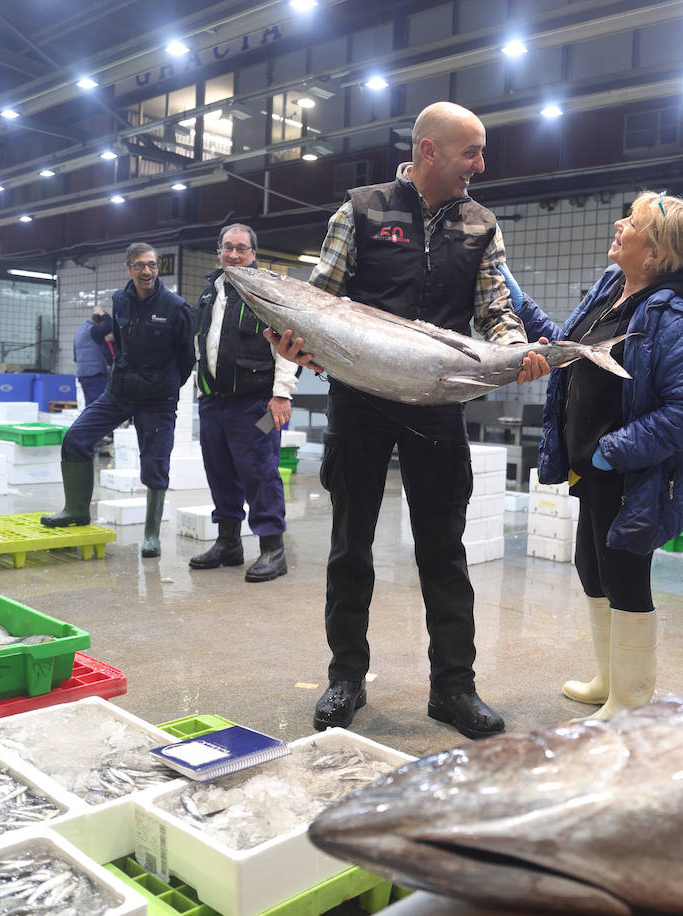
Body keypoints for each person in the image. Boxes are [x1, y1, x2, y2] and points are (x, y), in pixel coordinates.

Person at [271, 101, 550, 741]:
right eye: (470, 153)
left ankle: (454, 689)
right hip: (360, 405)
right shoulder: (363, 210)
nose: (480, 166)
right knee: (350, 548)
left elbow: (495, 309)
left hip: (437, 407)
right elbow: (318, 301)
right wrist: (291, 343)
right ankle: (346, 678)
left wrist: (518, 352)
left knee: (444, 551)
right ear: (429, 151)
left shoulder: (480, 223)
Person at [503, 191, 683, 720]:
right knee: (592, 569)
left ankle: (631, 701)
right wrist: (514, 295)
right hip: (594, 466)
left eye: (632, 221)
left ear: (654, 252)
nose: (618, 224)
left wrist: (611, 452)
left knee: (625, 577)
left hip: (628, 474)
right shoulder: (615, 292)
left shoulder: (677, 317)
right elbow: (571, 347)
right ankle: (610, 680)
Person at [41, 243, 194, 559]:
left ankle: (151, 534)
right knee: (76, 438)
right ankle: (76, 510)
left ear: (157, 267)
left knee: (154, 463)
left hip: (157, 399)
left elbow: (186, 358)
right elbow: (120, 345)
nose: (147, 271)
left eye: (151, 265)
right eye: (139, 265)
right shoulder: (120, 301)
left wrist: (163, 386)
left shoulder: (175, 307)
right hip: (120, 391)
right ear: (129, 268)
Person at [189, 224, 295, 583]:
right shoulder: (209, 293)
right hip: (213, 404)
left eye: (242, 249)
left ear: (253, 254)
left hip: (258, 406)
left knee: (260, 473)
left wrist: (281, 394)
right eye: (228, 248)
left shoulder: (265, 294)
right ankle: (228, 543)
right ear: (218, 251)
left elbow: (287, 349)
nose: (234, 254)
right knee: (219, 473)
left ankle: (272, 550)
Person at [74, 303, 114, 407]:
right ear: (100, 323)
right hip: (94, 375)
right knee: (99, 405)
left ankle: (90, 423)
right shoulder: (94, 330)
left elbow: (75, 357)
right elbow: (109, 325)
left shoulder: (79, 332)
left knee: (91, 405)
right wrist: (102, 312)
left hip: (83, 375)